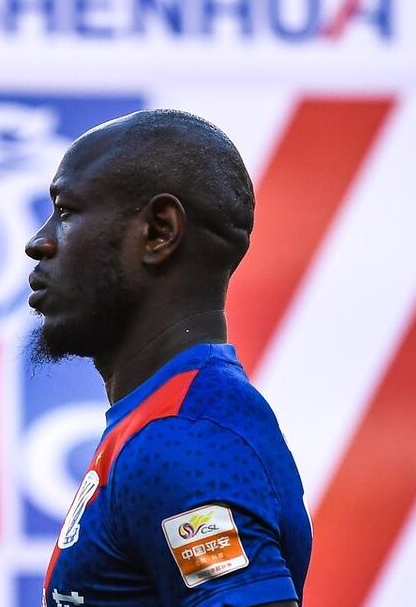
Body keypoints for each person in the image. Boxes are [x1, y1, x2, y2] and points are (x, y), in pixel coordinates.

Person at [25, 109, 312, 607]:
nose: (39, 242)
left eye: (66, 211)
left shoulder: (184, 437)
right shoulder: (164, 421)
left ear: (159, 231)